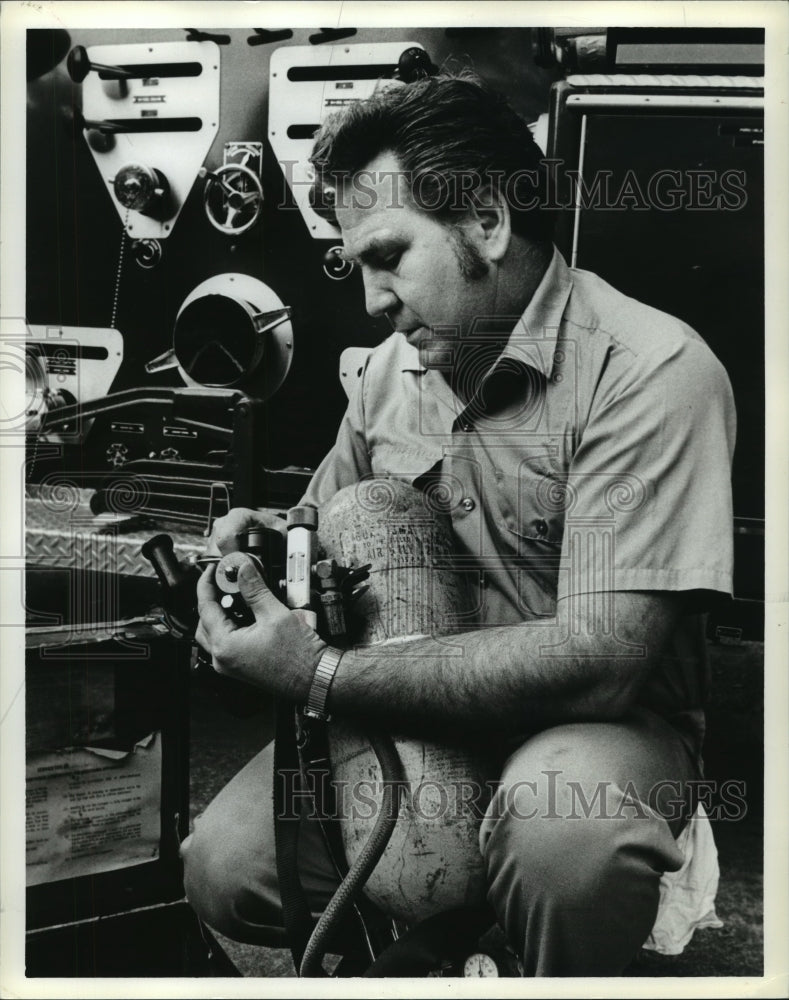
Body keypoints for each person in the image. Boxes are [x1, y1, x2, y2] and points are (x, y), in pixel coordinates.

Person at [182, 73, 736, 976]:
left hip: (595, 725)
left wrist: (320, 674)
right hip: (402, 706)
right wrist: (268, 554)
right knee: (226, 864)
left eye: (389, 256)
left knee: (562, 843)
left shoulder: (649, 371)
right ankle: (432, 943)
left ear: (484, 219)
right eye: (354, 263)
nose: (371, 301)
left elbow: (600, 663)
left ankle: (543, 954)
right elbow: (327, 524)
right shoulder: (390, 373)